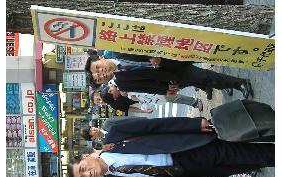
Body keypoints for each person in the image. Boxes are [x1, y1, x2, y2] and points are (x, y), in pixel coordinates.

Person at [68, 117, 274, 177]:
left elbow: (155, 126)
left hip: (189, 150)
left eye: (84, 169)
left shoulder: (115, 136)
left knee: (250, 154)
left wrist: (193, 124)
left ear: (86, 157)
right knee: (246, 163)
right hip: (191, 176)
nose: (88, 174)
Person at [85, 51, 253, 100]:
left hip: (172, 54)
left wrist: (151, 54)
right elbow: (146, 87)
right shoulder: (122, 83)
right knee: (202, 77)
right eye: (100, 78)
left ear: (101, 59)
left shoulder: (118, 49)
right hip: (168, 74)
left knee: (209, 54)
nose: (103, 73)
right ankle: (239, 83)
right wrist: (164, 90)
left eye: (99, 68)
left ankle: (242, 56)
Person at [102, 85, 204, 112]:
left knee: (176, 86)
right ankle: (194, 102)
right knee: (173, 97)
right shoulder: (124, 94)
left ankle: (196, 85)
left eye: (111, 91)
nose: (114, 93)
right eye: (112, 95)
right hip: (153, 95)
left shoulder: (120, 82)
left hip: (153, 86)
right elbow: (137, 99)